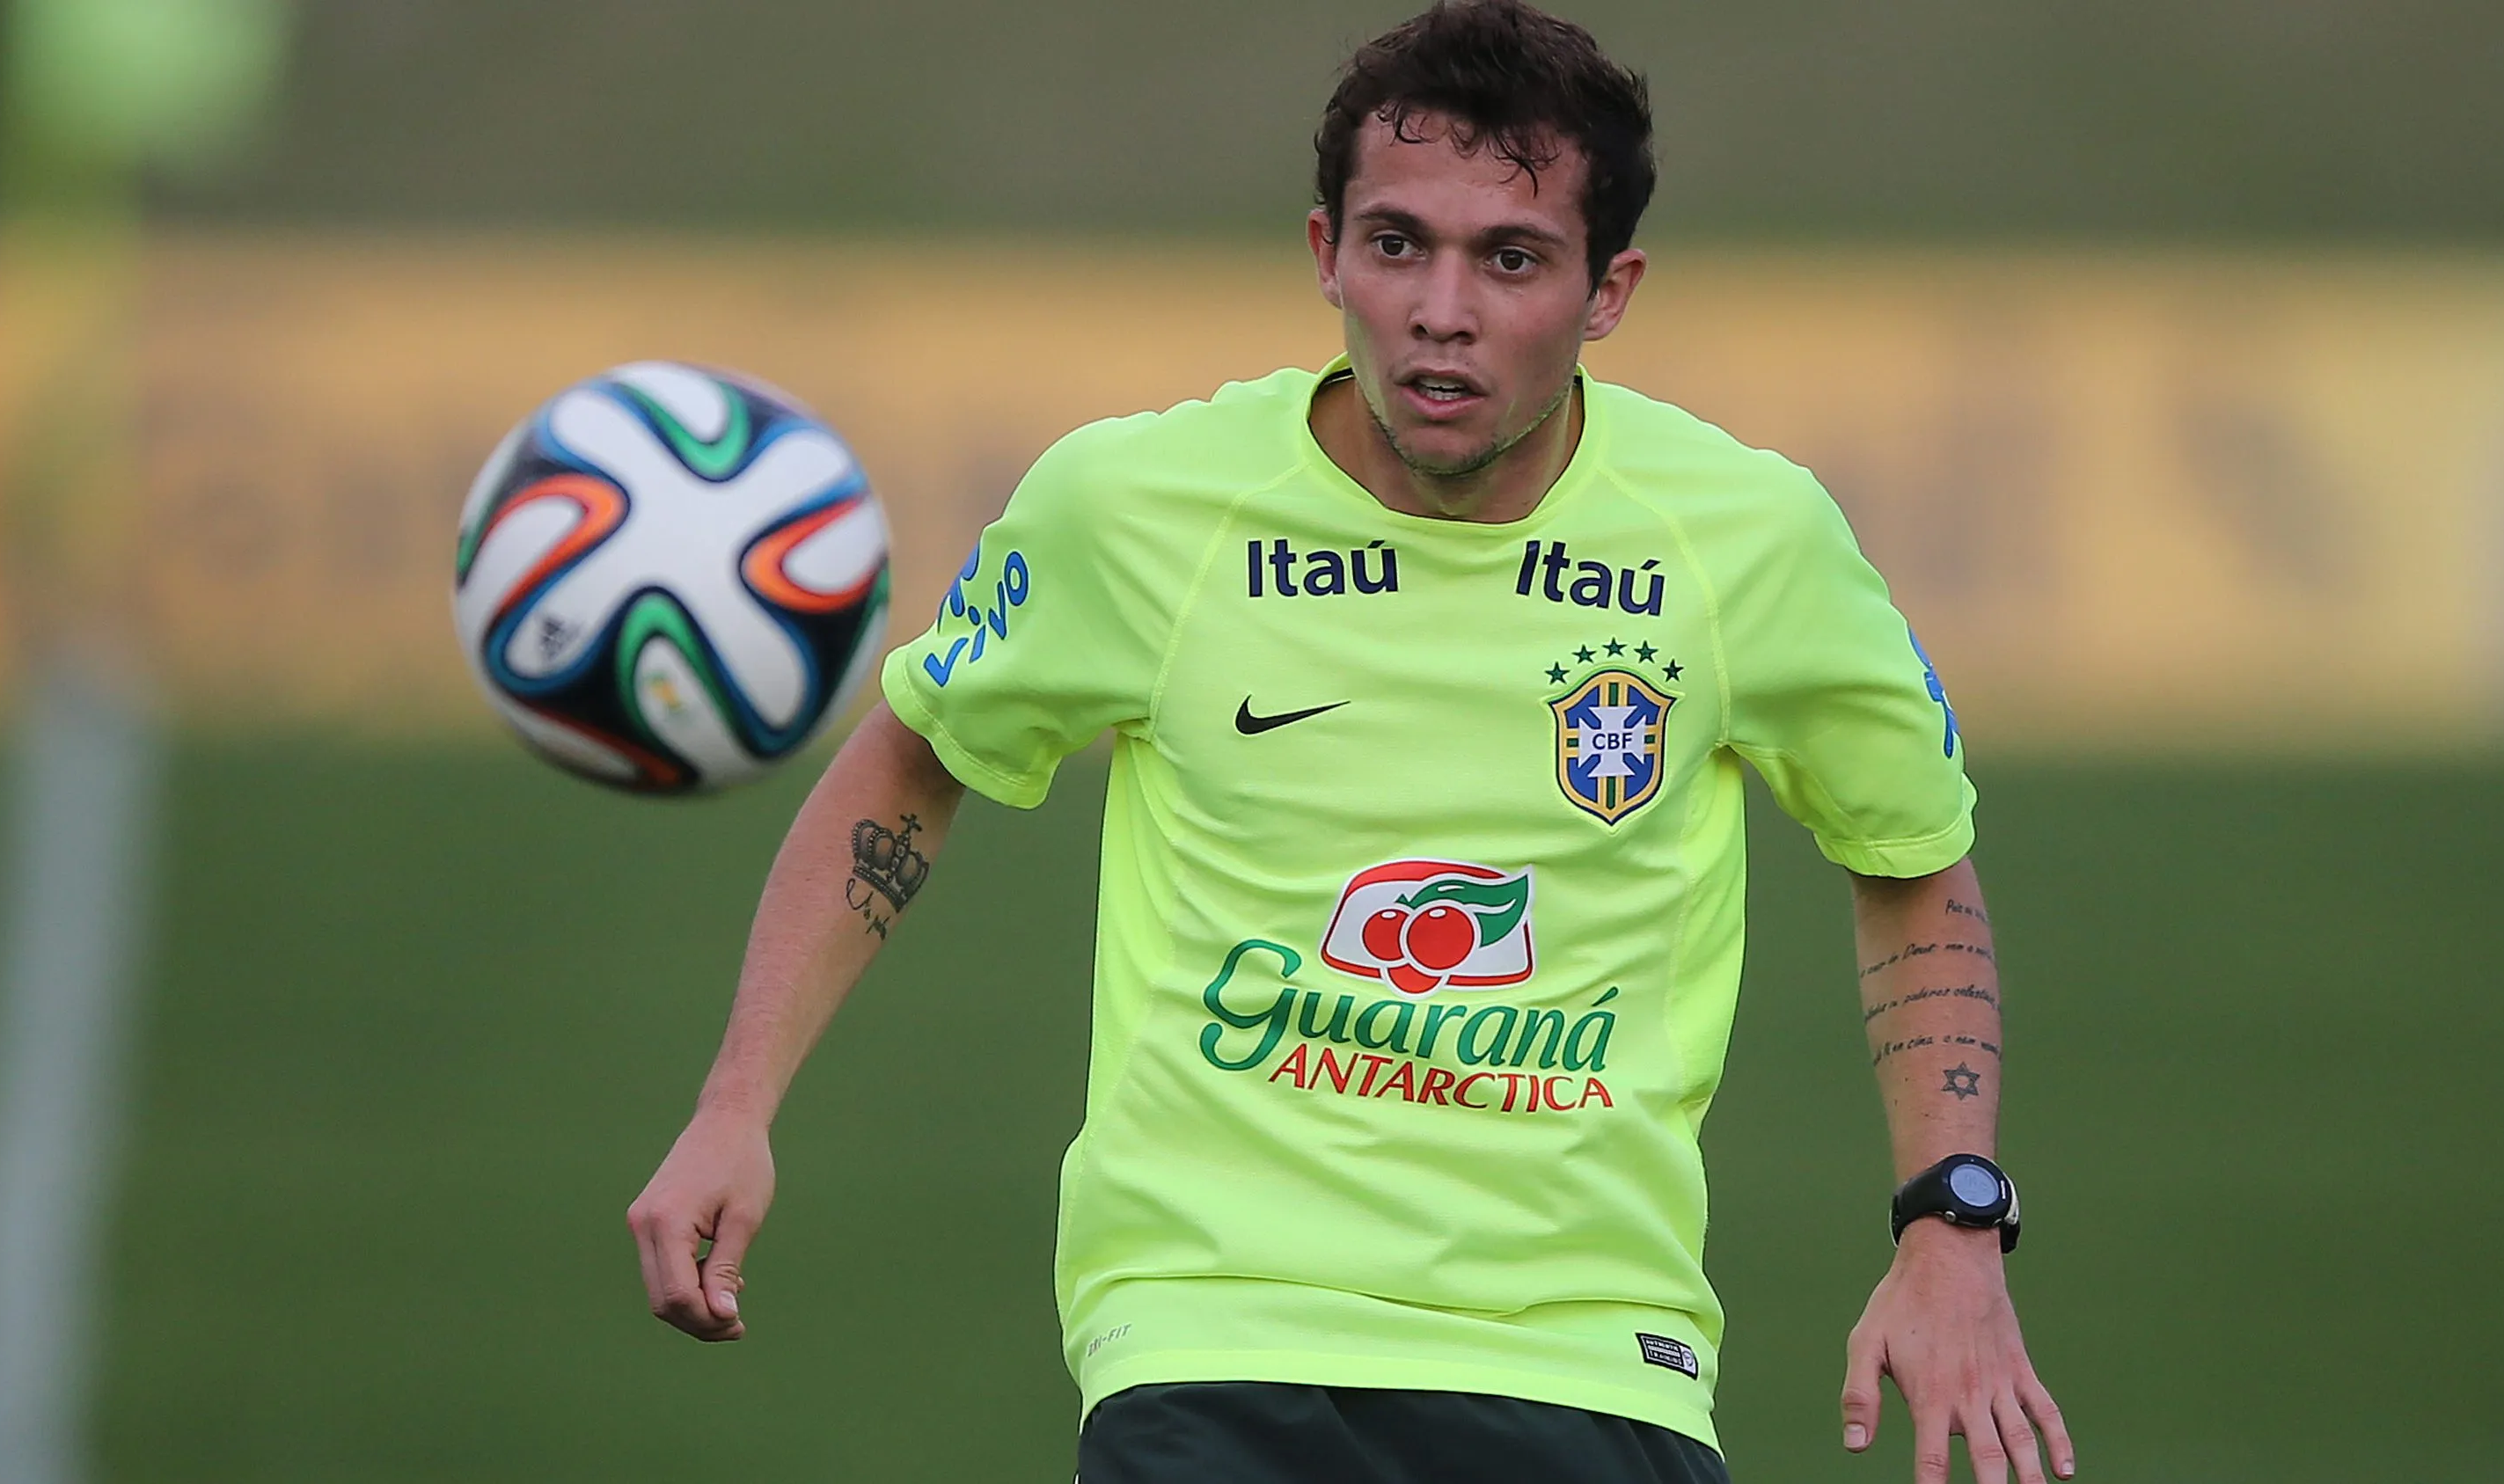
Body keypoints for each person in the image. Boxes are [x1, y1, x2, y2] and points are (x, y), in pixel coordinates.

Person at [627, 3, 2073, 1480]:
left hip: (1591, 1356)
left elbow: (1913, 858)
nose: (1442, 307)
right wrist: (734, 1107)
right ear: (1326, 254)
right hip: (1211, 1344)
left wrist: (1951, 1225)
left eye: (1511, 259)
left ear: (1608, 291)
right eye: (1397, 244)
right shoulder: (1138, 509)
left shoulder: (1746, 541)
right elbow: (913, 753)